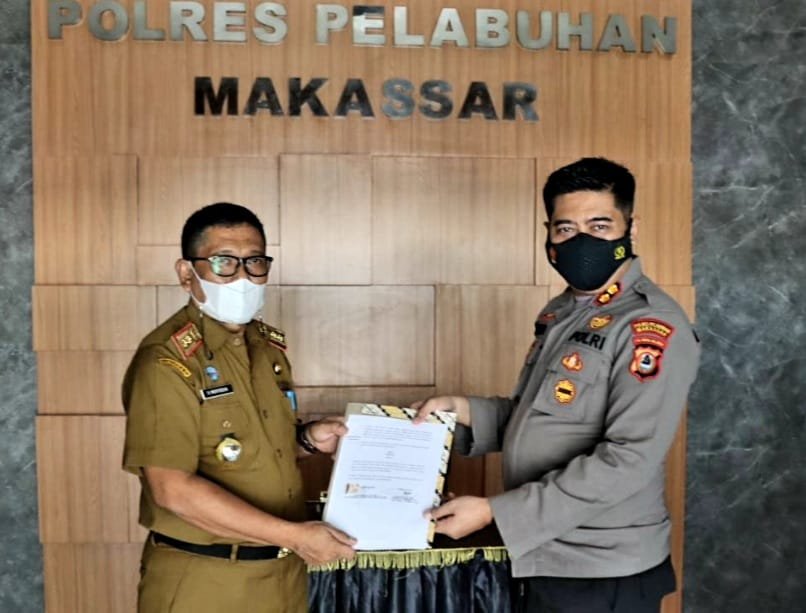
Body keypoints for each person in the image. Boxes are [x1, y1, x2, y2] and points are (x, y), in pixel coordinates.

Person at [414, 158, 700, 612]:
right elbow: (541, 416)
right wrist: (462, 410)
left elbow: (628, 458)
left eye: (599, 226)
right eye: (566, 229)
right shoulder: (563, 311)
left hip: (602, 569)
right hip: (548, 553)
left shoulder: (649, 324)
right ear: (548, 234)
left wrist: (496, 512)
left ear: (631, 228)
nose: (581, 241)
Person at [122, 202, 356, 613]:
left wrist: (307, 439)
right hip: (206, 581)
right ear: (186, 274)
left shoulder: (267, 348)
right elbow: (172, 489)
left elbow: (250, 449)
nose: (243, 277)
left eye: (255, 262)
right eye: (224, 263)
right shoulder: (167, 361)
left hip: (282, 577)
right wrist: (296, 537)